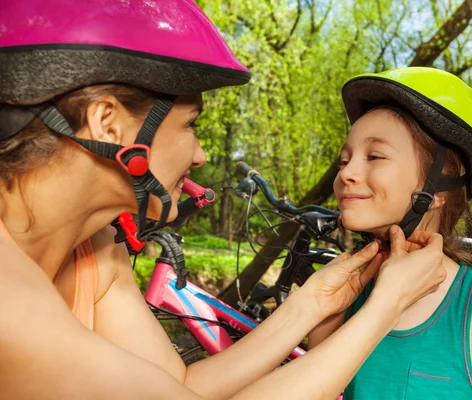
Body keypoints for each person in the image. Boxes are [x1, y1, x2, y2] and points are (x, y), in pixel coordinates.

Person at [0, 2, 447, 399]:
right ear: (108, 123)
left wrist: (311, 304)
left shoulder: (98, 251)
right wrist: (385, 306)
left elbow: (181, 385)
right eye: (191, 125)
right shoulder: (11, 304)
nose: (201, 155)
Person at [308, 67, 472, 399]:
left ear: (437, 190)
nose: (347, 173)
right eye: (344, 160)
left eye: (375, 156)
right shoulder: (339, 296)